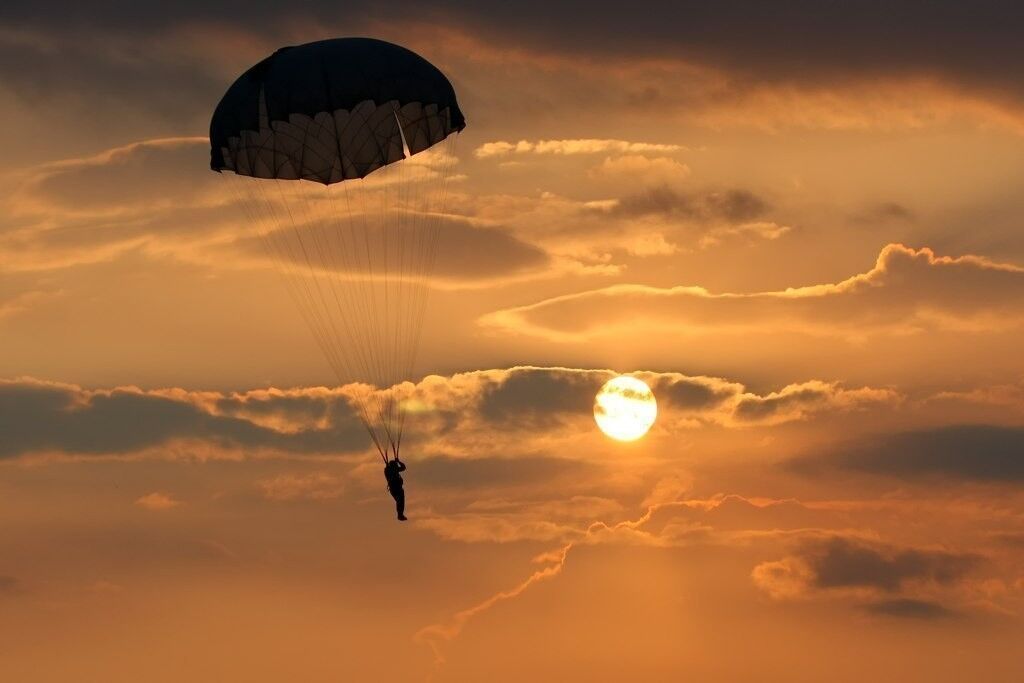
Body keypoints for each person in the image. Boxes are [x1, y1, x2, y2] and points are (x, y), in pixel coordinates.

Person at [384, 456, 407, 521]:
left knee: (400, 501)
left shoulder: (389, 469)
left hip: (397, 489)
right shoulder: (389, 470)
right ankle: (400, 515)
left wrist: (398, 462)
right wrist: (398, 462)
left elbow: (403, 468)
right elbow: (403, 467)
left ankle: (400, 514)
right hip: (395, 489)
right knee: (400, 501)